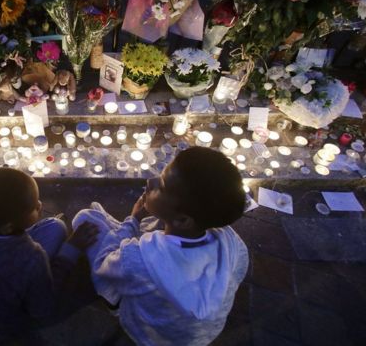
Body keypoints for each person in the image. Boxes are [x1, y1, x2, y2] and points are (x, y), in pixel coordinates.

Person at [73, 147, 249, 346]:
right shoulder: (233, 243)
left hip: (145, 333)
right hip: (196, 336)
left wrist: (132, 220)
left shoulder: (135, 258)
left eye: (162, 186)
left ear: (183, 220)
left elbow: (103, 265)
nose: (150, 182)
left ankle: (113, 302)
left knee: (86, 218)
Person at [0, 168, 98, 343]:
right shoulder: (28, 258)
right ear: (7, 228)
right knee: (57, 227)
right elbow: (42, 308)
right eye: (33, 208)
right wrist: (71, 248)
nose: (39, 205)